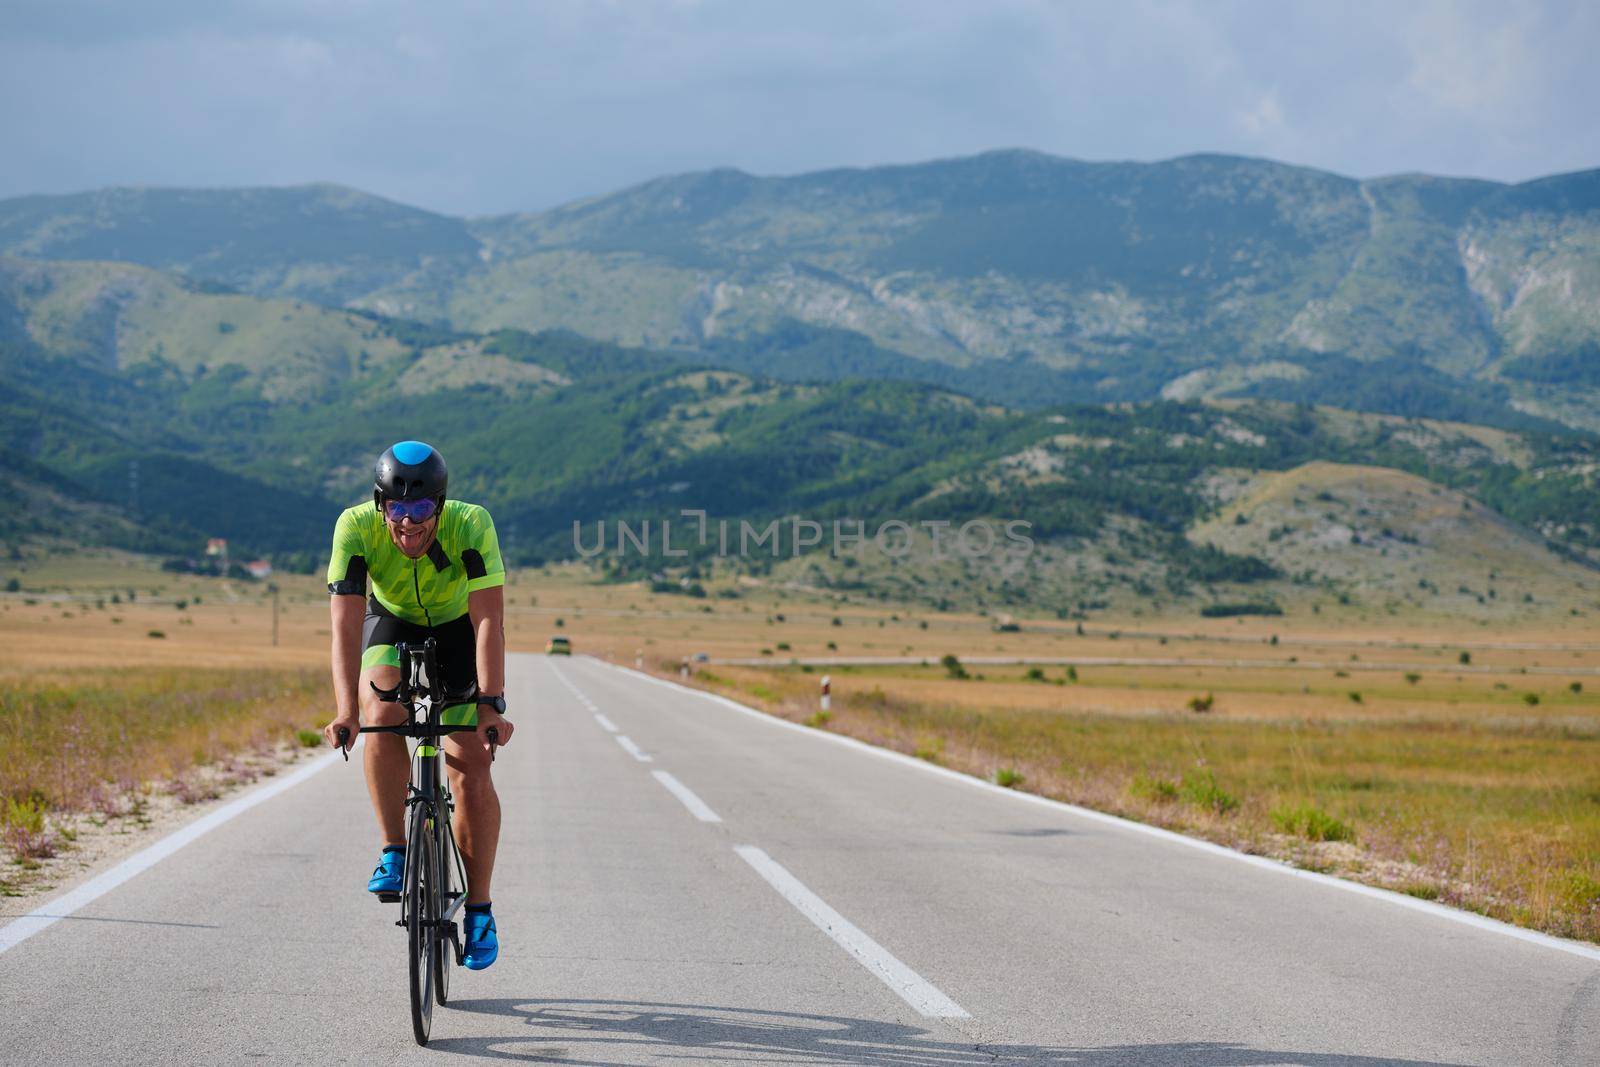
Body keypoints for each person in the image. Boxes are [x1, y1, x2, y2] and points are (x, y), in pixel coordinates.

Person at [322, 441, 512, 970]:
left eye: (422, 509)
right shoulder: (354, 527)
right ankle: (394, 849)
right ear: (380, 504)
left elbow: (489, 620)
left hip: (458, 629)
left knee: (471, 762)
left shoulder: (472, 525)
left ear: (441, 506)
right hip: (392, 618)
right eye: (397, 509)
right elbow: (343, 628)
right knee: (381, 710)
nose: (409, 523)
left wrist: (491, 705)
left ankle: (478, 911)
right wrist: (346, 710)